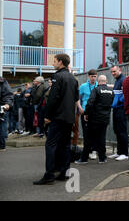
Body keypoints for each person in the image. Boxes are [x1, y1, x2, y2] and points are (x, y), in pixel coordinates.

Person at [33, 53, 79, 185]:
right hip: (69, 117)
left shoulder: (57, 76)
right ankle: (64, 172)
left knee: (51, 145)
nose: (52, 63)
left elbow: (53, 99)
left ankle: (49, 175)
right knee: (65, 145)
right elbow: (76, 98)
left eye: (54, 61)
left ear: (60, 62)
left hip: (58, 117)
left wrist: (47, 116)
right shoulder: (73, 78)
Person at [75, 75, 113, 165]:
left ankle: (84, 159)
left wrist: (86, 114)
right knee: (102, 138)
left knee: (88, 138)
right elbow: (111, 103)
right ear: (106, 81)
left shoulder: (96, 90)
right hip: (105, 118)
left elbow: (90, 102)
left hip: (94, 118)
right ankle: (102, 158)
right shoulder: (111, 91)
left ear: (98, 81)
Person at [108, 65, 129, 161]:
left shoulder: (123, 80)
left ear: (119, 70)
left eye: (114, 71)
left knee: (122, 131)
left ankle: (125, 153)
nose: (113, 73)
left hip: (121, 109)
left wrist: (119, 102)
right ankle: (119, 152)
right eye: (112, 72)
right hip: (116, 109)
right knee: (117, 131)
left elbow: (125, 94)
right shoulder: (117, 81)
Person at [76, 69, 98, 160]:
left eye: (95, 76)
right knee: (86, 133)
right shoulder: (83, 86)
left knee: (95, 132)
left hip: (96, 112)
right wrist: (79, 108)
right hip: (85, 111)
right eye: (92, 76)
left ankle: (94, 150)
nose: (93, 78)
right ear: (88, 76)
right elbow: (78, 98)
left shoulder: (98, 85)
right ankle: (87, 151)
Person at [0, 77, 14, 151]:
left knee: (2, 125)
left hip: (1, 107)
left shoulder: (2, 81)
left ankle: (2, 145)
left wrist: (7, 104)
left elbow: (8, 94)